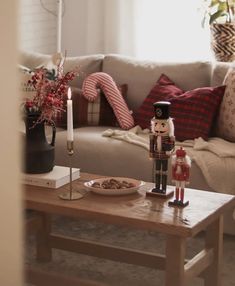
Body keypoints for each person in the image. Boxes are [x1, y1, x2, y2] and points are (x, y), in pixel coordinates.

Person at [149, 101, 175, 195]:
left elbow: (172, 146)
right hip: (157, 155)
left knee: (164, 172)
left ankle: (163, 188)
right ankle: (157, 187)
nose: (158, 127)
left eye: (162, 125)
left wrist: (170, 150)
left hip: (164, 156)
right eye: (156, 124)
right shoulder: (154, 136)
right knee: (157, 171)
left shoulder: (169, 137)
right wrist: (151, 153)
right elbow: (151, 144)